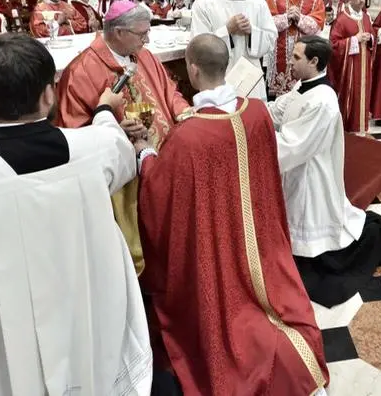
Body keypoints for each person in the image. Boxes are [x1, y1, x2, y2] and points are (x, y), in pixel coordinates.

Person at [0, 35, 152, 396]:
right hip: (100, 320)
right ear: (49, 94)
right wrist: (104, 111)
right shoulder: (98, 149)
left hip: (19, 349)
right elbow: (119, 151)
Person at [136, 34, 329, 396]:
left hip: (217, 236)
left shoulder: (188, 135)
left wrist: (145, 154)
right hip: (257, 230)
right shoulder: (255, 112)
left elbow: (160, 193)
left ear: (192, 70)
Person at [57, 1, 189, 272]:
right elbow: (73, 132)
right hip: (126, 179)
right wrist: (114, 129)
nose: (147, 39)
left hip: (163, 160)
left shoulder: (145, 56)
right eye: (141, 34)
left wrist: (186, 113)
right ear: (118, 32)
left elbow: (170, 93)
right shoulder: (81, 71)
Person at [268, 35, 381, 306]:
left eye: (297, 58)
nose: (290, 62)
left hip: (310, 173)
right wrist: (253, 111)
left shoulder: (322, 100)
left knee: (309, 222)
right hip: (297, 167)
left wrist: (257, 139)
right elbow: (279, 111)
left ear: (315, 61)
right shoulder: (303, 85)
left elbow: (293, 145)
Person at [190, 0, 277, 100]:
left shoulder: (258, 3)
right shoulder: (204, 3)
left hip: (251, 78)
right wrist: (227, 30)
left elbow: (271, 39)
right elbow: (198, 46)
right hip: (216, 79)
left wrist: (251, 31)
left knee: (251, 120)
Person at [265, 0, 326, 97]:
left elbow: (317, 25)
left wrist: (299, 18)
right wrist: (287, 17)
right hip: (279, 51)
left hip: (305, 50)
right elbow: (267, 22)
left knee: (303, 95)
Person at [329, 0, 376, 133]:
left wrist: (370, 38)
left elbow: (371, 33)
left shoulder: (366, 17)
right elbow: (333, 44)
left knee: (363, 93)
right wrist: (354, 39)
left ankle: (361, 124)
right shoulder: (342, 19)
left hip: (364, 64)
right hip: (349, 67)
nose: (362, 0)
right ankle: (347, 126)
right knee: (352, 94)